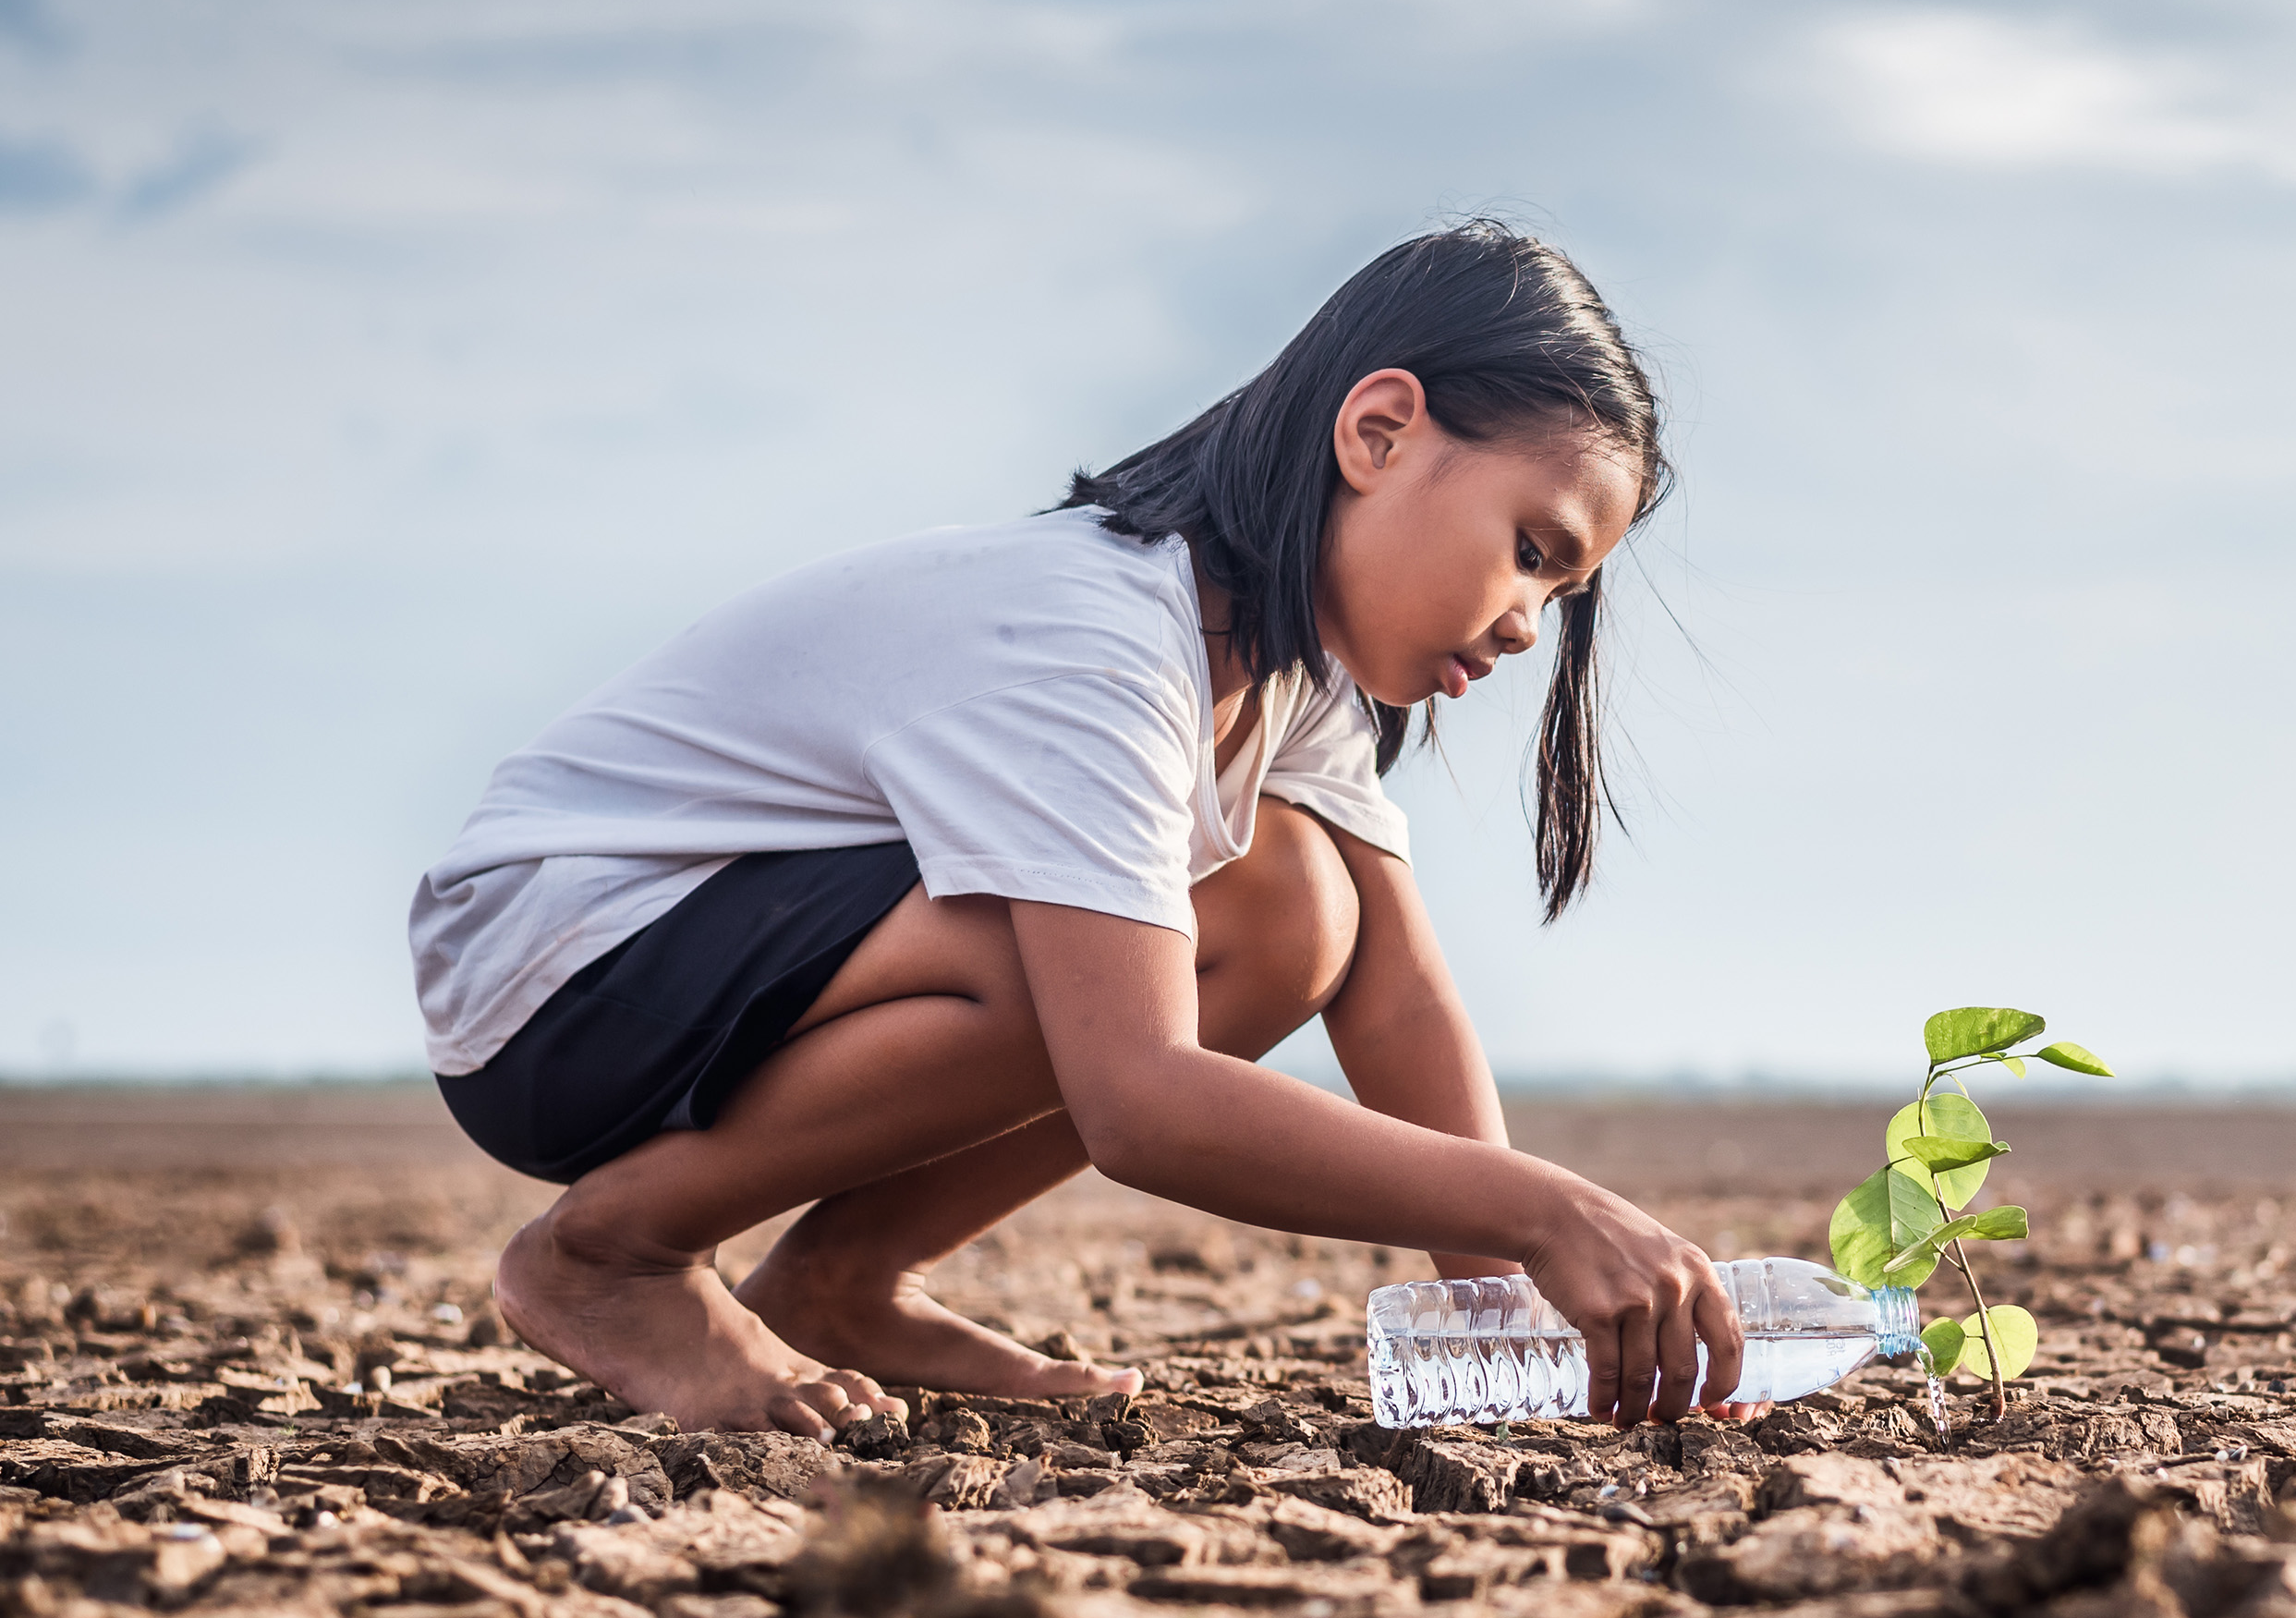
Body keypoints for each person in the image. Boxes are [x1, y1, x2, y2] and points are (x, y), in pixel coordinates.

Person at [408, 223, 1742, 1439]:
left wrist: (1508, 1325)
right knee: (1080, 944)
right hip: (563, 966)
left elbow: (1397, 1003)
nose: (1527, 623)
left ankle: (841, 1278)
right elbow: (1141, 1101)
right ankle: (613, 1255)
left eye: (1560, 595)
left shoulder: (1287, 674)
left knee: (1293, 907)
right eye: (1531, 550)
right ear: (1379, 434)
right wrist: (1549, 1210)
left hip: (713, 957)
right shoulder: (1099, 637)